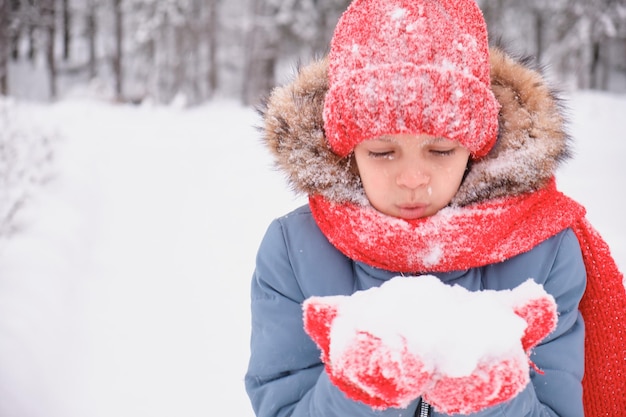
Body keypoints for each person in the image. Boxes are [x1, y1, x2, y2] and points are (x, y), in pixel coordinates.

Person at [245, 0, 626, 416]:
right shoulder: (292, 252)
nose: (412, 178)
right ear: (347, 150)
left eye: (440, 150)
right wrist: (355, 391)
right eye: (382, 151)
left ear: (475, 148)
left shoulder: (544, 253)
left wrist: (496, 398)